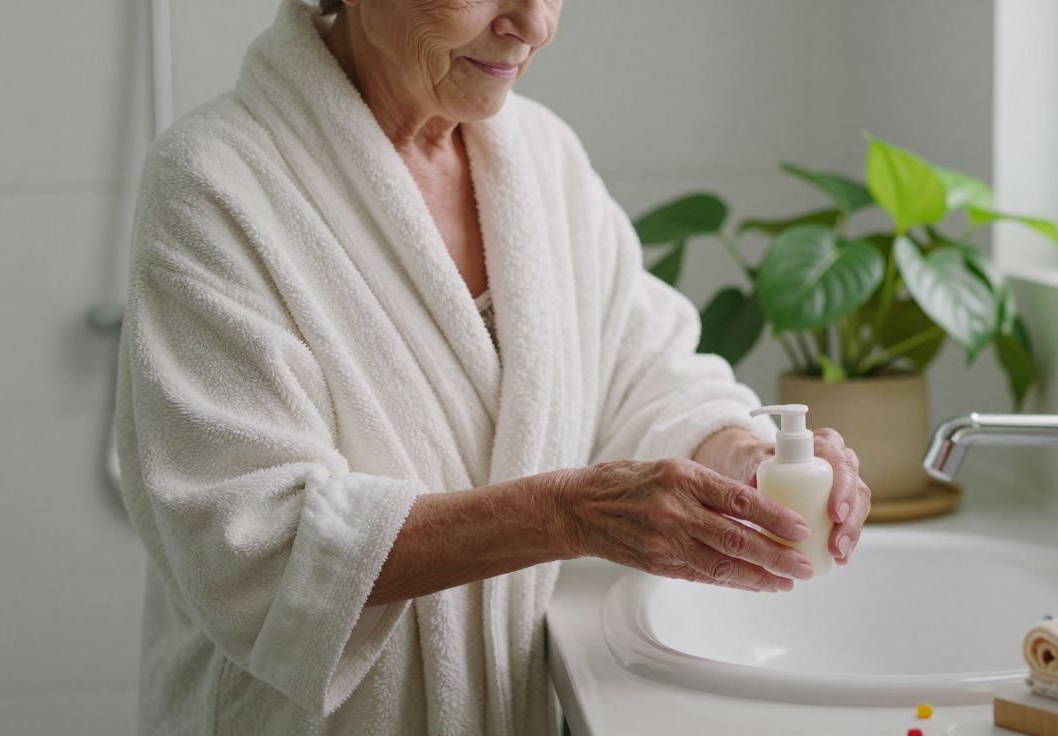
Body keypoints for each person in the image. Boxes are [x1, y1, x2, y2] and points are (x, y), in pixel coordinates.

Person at [115, 1, 870, 733]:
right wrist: (565, 514)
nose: (533, 24)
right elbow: (253, 545)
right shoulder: (215, 184)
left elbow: (646, 371)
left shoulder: (542, 159)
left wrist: (739, 457)